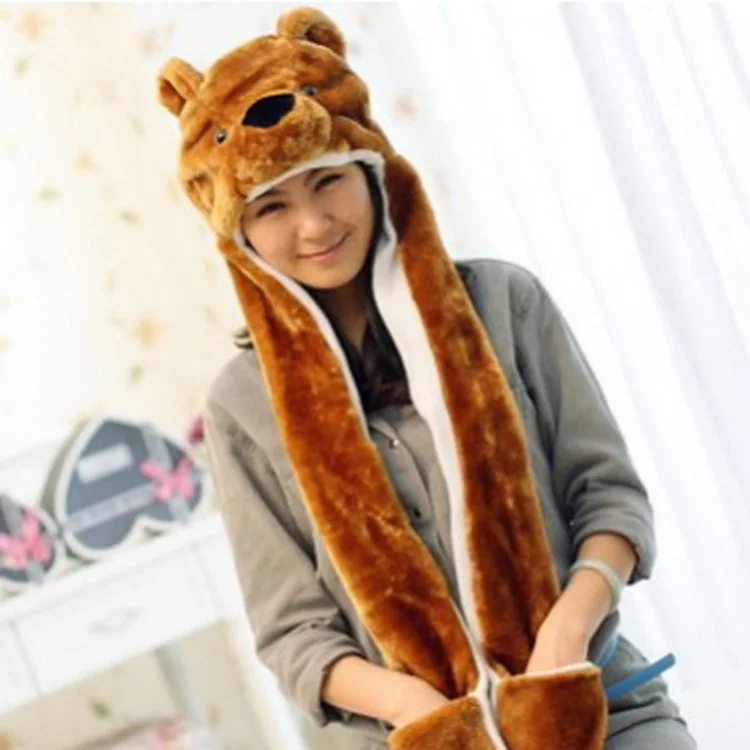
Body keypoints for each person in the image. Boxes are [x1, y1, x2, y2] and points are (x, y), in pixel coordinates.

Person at [158, 7, 697, 749]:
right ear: (238, 233)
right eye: (273, 205)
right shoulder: (241, 405)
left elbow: (608, 497)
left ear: (373, 170)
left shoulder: (505, 304)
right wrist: (423, 710)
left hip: (597, 702)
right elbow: (292, 632)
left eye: (327, 182)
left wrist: (563, 642)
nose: (313, 225)